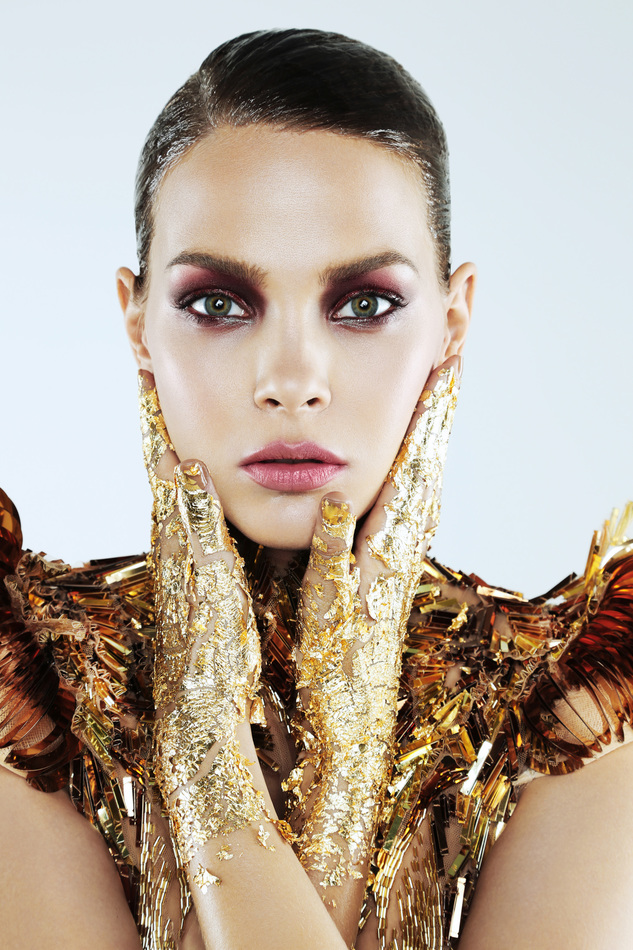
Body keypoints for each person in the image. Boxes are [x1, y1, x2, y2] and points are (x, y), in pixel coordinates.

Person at [1, 27, 632, 950]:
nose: (291, 379)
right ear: (137, 323)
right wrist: (204, 743)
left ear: (451, 320)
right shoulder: (27, 684)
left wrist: (351, 747)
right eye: (218, 303)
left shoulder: (569, 712)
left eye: (363, 304)